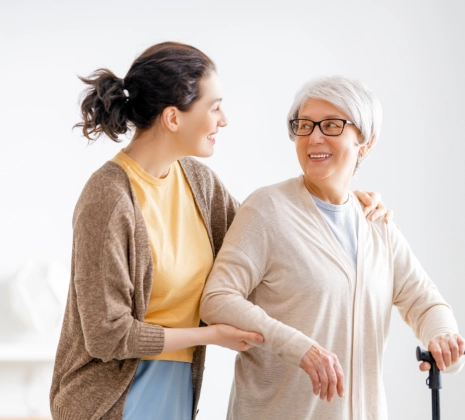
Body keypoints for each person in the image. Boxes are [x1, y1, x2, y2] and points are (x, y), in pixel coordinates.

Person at [50, 43, 392, 420]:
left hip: (175, 389)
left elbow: (272, 237)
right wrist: (208, 336)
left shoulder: (198, 182)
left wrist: (343, 204)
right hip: (108, 400)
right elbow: (107, 335)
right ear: (173, 118)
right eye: (214, 107)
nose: (223, 119)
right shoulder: (109, 198)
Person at [200, 75, 465, 420]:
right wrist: (300, 347)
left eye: (331, 125)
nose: (314, 137)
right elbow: (217, 300)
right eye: (305, 125)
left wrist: (443, 337)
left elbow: (425, 302)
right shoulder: (267, 210)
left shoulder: (377, 225)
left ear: (365, 142)